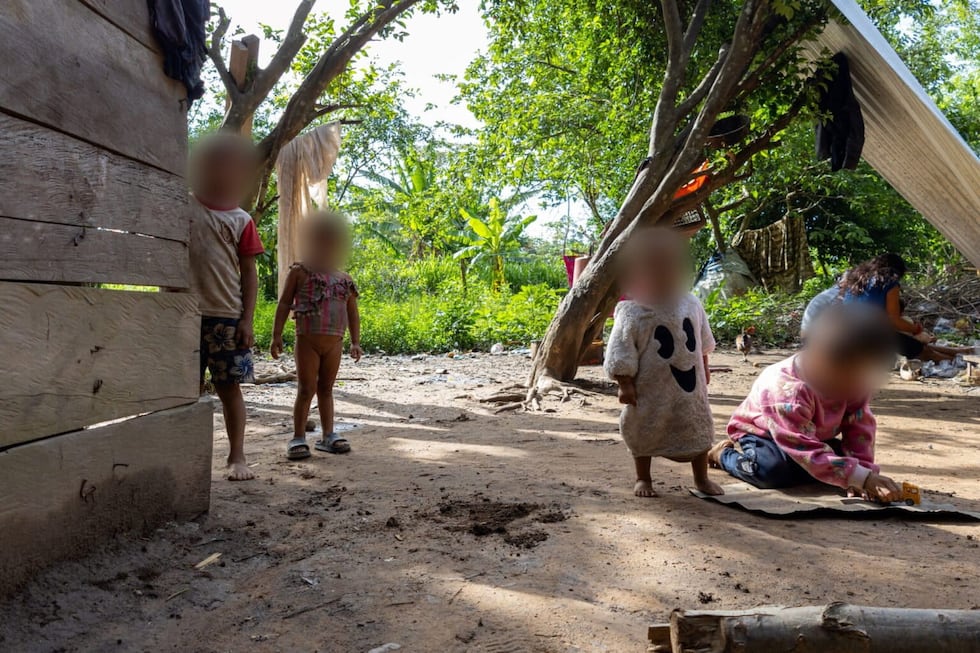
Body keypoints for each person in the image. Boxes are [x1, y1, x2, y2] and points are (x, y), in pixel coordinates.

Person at [709, 304, 902, 503]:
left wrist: (863, 474)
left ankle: (817, 466)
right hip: (765, 435)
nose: (858, 382)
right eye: (852, 374)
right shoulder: (786, 389)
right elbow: (798, 443)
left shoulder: (853, 382)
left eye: (863, 373)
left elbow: (859, 430)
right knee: (771, 471)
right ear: (820, 360)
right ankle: (723, 454)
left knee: (838, 463)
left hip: (811, 437)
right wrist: (859, 477)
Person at [604, 227, 723, 498]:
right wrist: (624, 382)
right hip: (649, 391)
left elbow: (702, 338)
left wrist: (705, 367)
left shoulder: (691, 303)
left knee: (698, 429)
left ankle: (701, 478)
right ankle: (643, 478)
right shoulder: (632, 313)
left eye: (669, 267)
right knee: (644, 430)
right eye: (653, 268)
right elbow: (620, 350)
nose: (662, 274)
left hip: (691, 390)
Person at [188, 133, 264, 481]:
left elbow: (249, 274)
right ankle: (182, 455)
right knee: (181, 390)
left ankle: (237, 456)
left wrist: (247, 320)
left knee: (228, 388)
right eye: (216, 163)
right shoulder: (184, 206)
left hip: (225, 318)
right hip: (181, 315)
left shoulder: (241, 220)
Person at [271, 211, 363, 460]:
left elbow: (352, 313)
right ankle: (298, 437)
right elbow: (283, 304)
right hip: (307, 341)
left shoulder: (344, 280)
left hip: (335, 343)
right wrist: (276, 335)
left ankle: (328, 435)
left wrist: (355, 341)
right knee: (306, 388)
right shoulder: (300, 272)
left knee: (326, 388)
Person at [838, 254, 953, 363]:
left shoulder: (856, 280)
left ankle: (959, 355)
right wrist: (916, 330)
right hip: (869, 333)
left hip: (846, 332)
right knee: (925, 352)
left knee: (908, 344)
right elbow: (894, 320)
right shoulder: (889, 283)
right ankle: (960, 363)